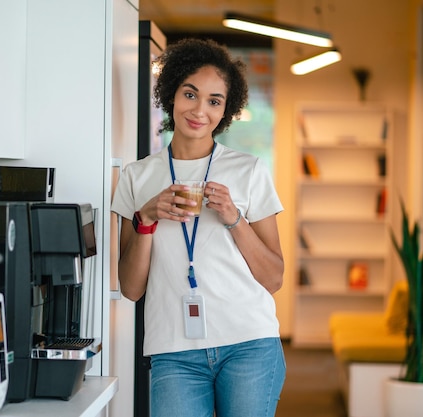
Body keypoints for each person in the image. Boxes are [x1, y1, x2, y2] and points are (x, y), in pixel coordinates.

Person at [111, 38, 286, 417]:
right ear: (171, 92)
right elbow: (131, 288)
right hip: (174, 352)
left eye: (214, 101)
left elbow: (273, 277)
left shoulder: (249, 170)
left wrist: (234, 219)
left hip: (249, 344)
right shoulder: (137, 177)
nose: (200, 110)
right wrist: (147, 218)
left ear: (226, 110)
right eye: (190, 94)